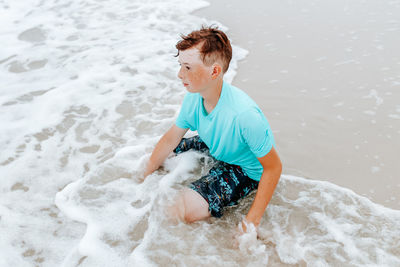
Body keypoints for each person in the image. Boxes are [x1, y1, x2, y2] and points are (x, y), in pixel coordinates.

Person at [144, 26, 282, 233]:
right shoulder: (194, 97)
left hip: (245, 169)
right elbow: (169, 139)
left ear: (215, 71)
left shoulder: (244, 116)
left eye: (188, 67)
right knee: (163, 153)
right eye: (180, 65)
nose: (180, 74)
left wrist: (251, 221)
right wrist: (143, 176)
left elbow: (273, 167)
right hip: (216, 143)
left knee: (179, 211)